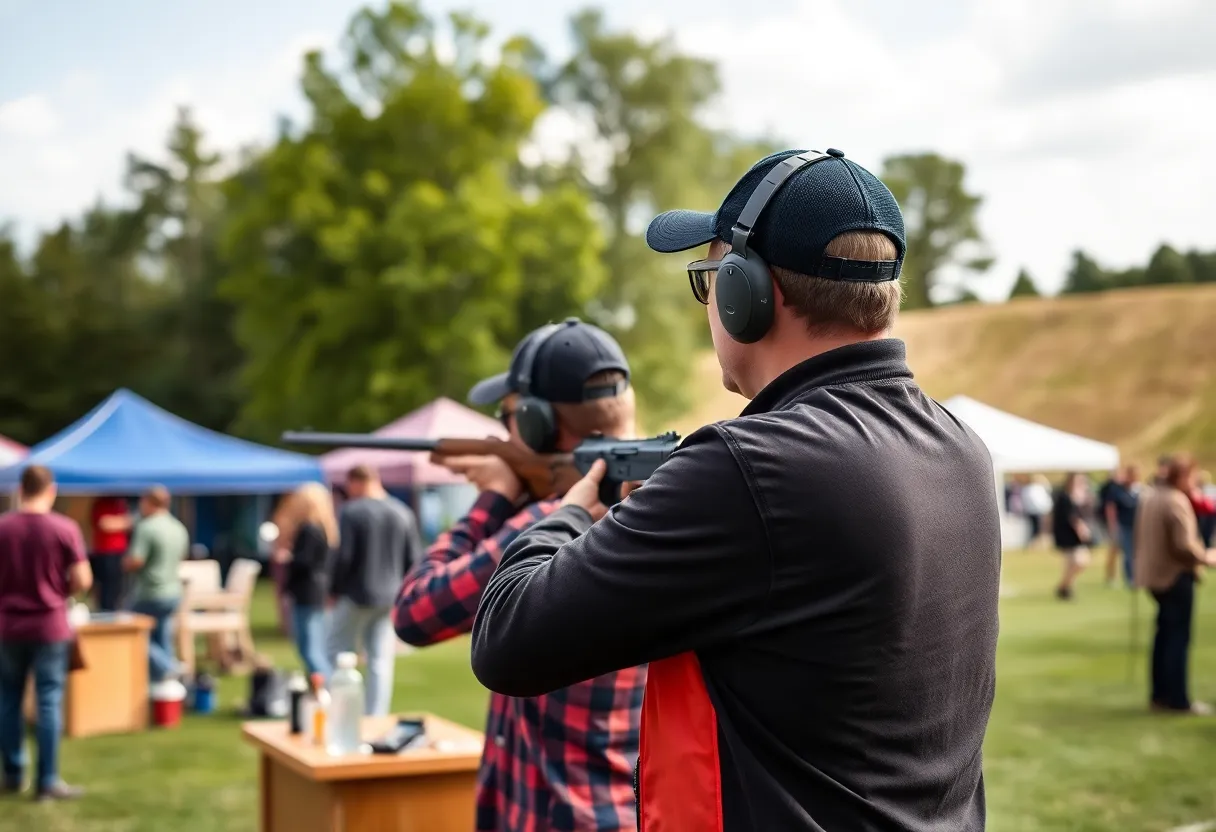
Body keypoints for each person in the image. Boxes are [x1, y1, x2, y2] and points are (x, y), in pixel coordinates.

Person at [471, 148, 1002, 830]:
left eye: (708, 278)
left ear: (743, 290)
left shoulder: (745, 467)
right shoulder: (963, 449)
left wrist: (568, 511)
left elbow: (507, 639)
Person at [395, 318, 646, 831]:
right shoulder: (658, 507)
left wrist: (492, 497)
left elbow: (415, 613)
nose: (503, 430)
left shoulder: (547, 527)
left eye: (508, 415)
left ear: (535, 423)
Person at [0, 466, 91, 801]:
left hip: (8, 624)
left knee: (8, 699)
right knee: (48, 700)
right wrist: (59, 589)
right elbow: (83, 578)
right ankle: (47, 780)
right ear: (50, 490)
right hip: (50, 624)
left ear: (21, 489)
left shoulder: (3, 527)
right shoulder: (64, 528)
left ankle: (12, 773)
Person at [328, 465, 420, 715]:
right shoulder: (402, 512)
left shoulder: (352, 511)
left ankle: (338, 712)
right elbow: (413, 560)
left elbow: (344, 556)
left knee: (335, 652)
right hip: (390, 596)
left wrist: (333, 589)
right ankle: (375, 715)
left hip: (356, 594)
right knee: (380, 660)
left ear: (356, 482)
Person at [1133, 454, 1216, 715]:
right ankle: (1177, 699)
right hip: (1174, 576)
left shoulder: (1151, 496)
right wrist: (1207, 557)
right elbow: (1184, 544)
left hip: (1153, 576)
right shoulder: (1175, 500)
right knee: (1177, 639)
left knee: (1163, 636)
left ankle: (1159, 695)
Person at [123, 486, 189, 683]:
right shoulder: (178, 527)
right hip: (173, 592)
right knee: (162, 636)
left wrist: (124, 562)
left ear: (149, 502)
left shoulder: (147, 527)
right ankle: (164, 686)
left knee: (133, 632)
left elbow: (136, 560)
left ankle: (169, 668)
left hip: (150, 592)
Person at [273, 483, 338, 678]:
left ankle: (327, 689)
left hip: (307, 592)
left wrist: (287, 557)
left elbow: (305, 562)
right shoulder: (325, 528)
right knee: (315, 645)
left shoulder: (309, 529)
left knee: (309, 649)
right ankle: (323, 688)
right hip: (318, 591)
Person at [88, 496, 134, 612]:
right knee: (105, 591)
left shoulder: (121, 502)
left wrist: (121, 522)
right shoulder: (101, 503)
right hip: (104, 552)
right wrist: (122, 522)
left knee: (118, 590)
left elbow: (130, 522)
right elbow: (104, 524)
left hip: (119, 553)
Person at [1052, 472, 1093, 600]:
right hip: (1068, 534)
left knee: (1078, 562)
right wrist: (1080, 528)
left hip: (1077, 536)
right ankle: (1066, 587)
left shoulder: (1083, 497)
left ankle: (1064, 586)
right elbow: (1070, 516)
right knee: (1074, 561)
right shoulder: (1065, 497)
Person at [1101, 465, 1141, 588]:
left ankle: (1134, 576)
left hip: (1136, 526)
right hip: (1122, 525)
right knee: (1125, 552)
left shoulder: (1138, 490)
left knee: (1133, 552)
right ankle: (1129, 578)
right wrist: (1112, 525)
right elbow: (1111, 508)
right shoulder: (1117, 490)